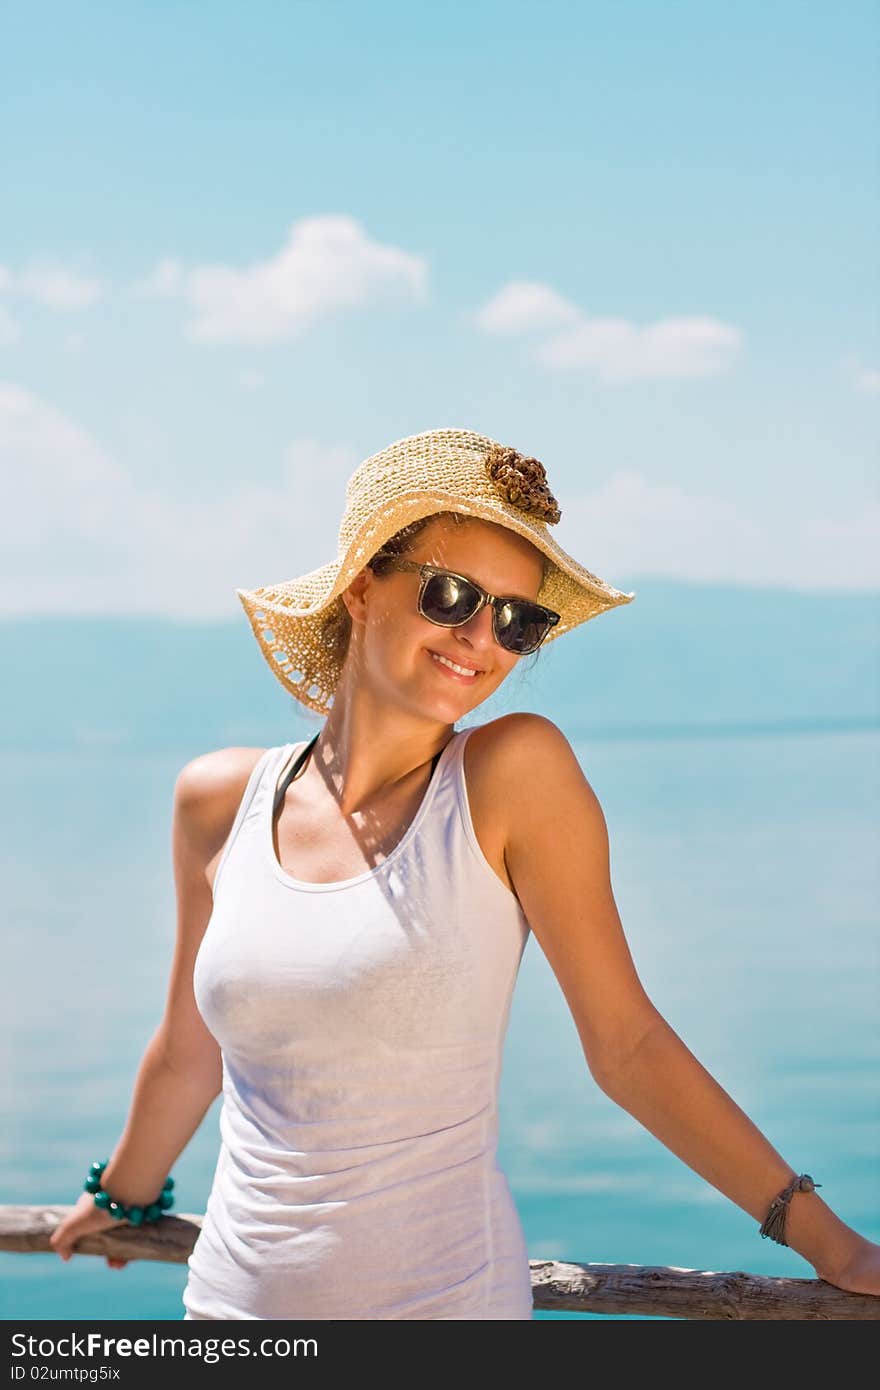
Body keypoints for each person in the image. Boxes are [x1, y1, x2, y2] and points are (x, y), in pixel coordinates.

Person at [49, 427, 880, 1318]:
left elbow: (627, 1045)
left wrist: (832, 1244)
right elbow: (188, 1053)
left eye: (519, 621)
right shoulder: (218, 801)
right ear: (364, 583)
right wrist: (121, 1198)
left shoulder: (511, 774)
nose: (483, 639)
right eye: (453, 595)